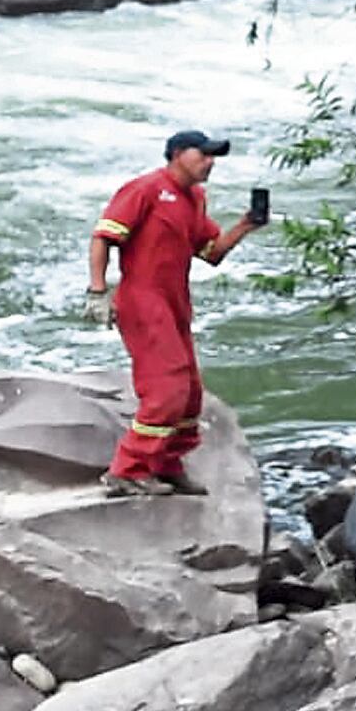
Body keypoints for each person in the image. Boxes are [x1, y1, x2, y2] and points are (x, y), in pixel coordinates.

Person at [88, 129, 262, 496]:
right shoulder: (146, 188)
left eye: (213, 157)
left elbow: (211, 252)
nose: (210, 162)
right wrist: (97, 291)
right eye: (204, 155)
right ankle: (127, 470)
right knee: (166, 389)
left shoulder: (195, 197)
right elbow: (104, 236)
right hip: (143, 301)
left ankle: (165, 464)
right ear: (179, 154)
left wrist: (246, 224)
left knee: (190, 394)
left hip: (175, 301)